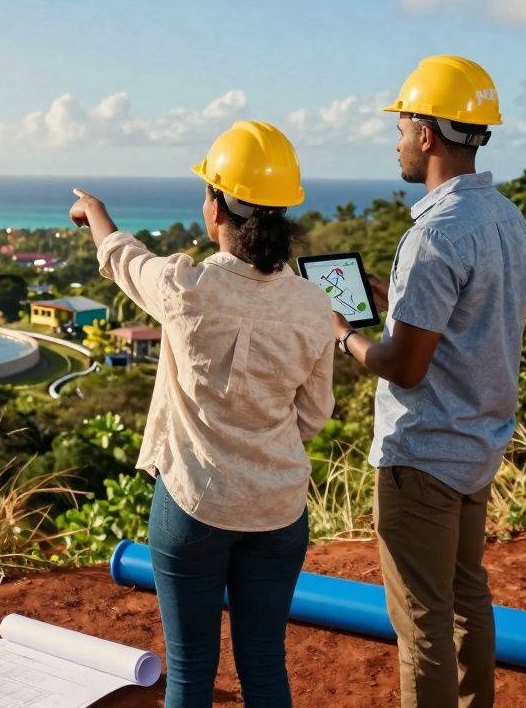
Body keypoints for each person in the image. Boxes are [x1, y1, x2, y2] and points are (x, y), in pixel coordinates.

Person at [68, 121, 335, 707]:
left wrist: (97, 213)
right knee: (265, 667)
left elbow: (123, 259)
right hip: (277, 510)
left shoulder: (184, 286)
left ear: (216, 208)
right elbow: (313, 415)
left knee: (190, 675)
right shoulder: (316, 307)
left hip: (194, 502)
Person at [333, 55, 526, 708]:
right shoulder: (507, 220)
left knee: (422, 623)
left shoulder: (436, 234)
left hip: (423, 454)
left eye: (401, 125)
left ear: (426, 133)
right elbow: (466, 322)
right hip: (477, 446)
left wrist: (344, 333)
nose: (395, 140)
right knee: (467, 597)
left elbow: (404, 367)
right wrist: (393, 301)